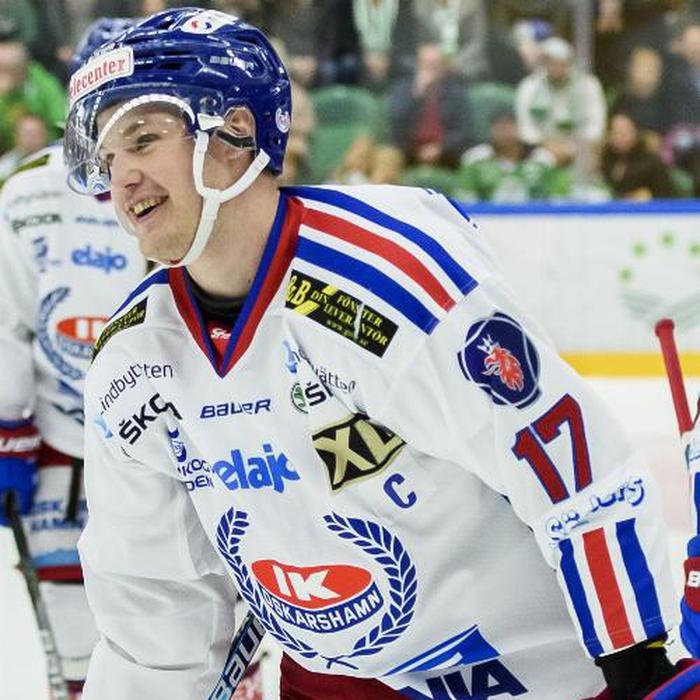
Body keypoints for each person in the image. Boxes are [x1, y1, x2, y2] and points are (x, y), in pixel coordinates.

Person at [64, 8, 700, 700]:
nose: (120, 179)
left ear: (236, 133)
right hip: (336, 682)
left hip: (534, 678)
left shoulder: (388, 277)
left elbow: (564, 462)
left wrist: (634, 657)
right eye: (108, 157)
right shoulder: (133, 361)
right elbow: (156, 605)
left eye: (143, 139)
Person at [0, 18, 147, 698]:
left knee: (169, 613)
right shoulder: (26, 189)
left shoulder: (184, 182)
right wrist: (10, 429)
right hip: (58, 448)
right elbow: (5, 320)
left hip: (163, 444)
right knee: (74, 632)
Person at [515, 36, 607, 166]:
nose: (555, 67)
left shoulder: (588, 85)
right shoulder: (529, 86)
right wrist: (547, 146)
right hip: (541, 148)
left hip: (581, 148)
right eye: (550, 62)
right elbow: (526, 127)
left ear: (569, 63)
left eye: (559, 63)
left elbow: (596, 124)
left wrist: (572, 148)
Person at [389, 42, 473, 168]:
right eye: (426, 64)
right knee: (388, 156)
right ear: (418, 65)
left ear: (444, 68)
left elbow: (463, 132)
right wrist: (417, 94)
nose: (431, 69)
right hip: (408, 152)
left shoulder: (456, 93)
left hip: (446, 154)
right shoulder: (403, 90)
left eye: (435, 65)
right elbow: (396, 123)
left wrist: (440, 148)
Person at [457, 108, 557, 202]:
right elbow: (465, 198)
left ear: (519, 128)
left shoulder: (542, 159)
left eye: (509, 126)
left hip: (535, 214)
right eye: (499, 128)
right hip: (486, 214)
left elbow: (555, 198)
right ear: (490, 130)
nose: (504, 132)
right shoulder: (475, 159)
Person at [601, 112, 675, 200]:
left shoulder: (652, 163)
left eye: (626, 131)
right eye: (616, 132)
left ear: (635, 131)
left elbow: (665, 196)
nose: (621, 137)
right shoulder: (606, 161)